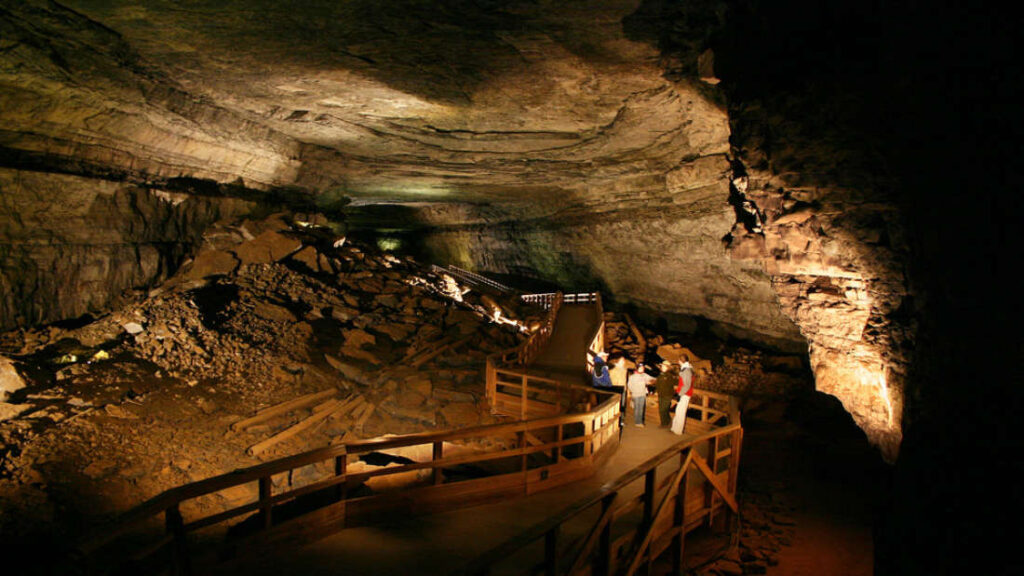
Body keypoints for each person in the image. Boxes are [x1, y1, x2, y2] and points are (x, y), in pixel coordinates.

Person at [671, 359, 695, 435]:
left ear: (681, 361)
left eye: (679, 360)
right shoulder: (687, 369)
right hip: (684, 393)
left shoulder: (686, 370)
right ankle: (674, 428)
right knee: (678, 411)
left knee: (681, 412)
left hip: (685, 394)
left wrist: (679, 394)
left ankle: (678, 430)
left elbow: (686, 385)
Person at [654, 360, 679, 427]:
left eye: (664, 366)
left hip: (667, 395)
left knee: (664, 409)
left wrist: (673, 394)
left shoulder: (670, 376)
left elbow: (676, 383)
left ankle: (665, 423)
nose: (662, 367)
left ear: (667, 367)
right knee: (661, 409)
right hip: (661, 395)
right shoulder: (660, 375)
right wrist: (656, 391)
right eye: (662, 366)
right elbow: (657, 384)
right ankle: (666, 422)